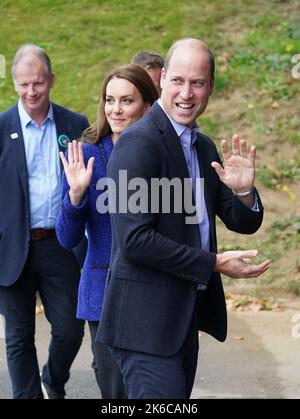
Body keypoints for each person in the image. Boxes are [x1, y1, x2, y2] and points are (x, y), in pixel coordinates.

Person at [96, 38, 271, 399]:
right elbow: (135, 241)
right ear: (161, 82)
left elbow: (243, 222)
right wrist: (214, 263)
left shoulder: (202, 146)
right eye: (177, 80)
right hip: (143, 327)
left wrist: (243, 192)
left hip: (181, 320)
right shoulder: (138, 144)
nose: (186, 93)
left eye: (198, 82)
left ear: (211, 86)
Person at [55, 64, 158, 398]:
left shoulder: (162, 153)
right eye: (109, 100)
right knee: (115, 392)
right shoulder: (85, 155)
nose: (115, 109)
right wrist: (76, 196)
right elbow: (66, 237)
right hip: (104, 293)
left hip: (155, 292)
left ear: (147, 104)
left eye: (126, 101)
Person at [0, 44, 89, 399]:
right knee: (18, 337)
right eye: (23, 85)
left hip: (61, 244)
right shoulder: (1, 127)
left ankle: (53, 377)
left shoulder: (75, 124)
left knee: (70, 330)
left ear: (51, 80)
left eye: (37, 83)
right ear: (14, 84)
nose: (31, 92)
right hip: (11, 247)